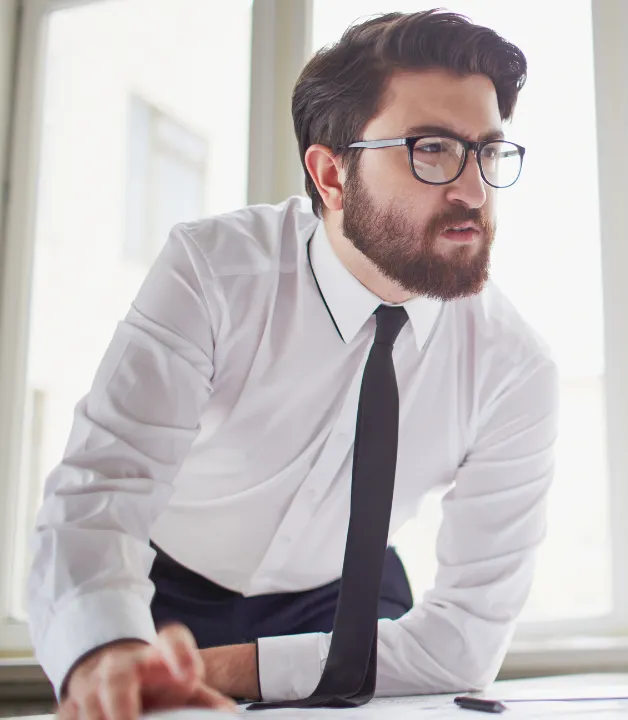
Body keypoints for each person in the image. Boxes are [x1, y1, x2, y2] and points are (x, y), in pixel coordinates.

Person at [27, 9, 558, 719]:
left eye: (488, 151)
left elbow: (463, 641)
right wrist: (109, 651)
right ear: (331, 174)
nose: (472, 191)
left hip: (350, 605)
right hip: (164, 599)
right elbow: (101, 490)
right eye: (431, 149)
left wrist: (230, 671)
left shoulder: (514, 368)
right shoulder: (213, 271)